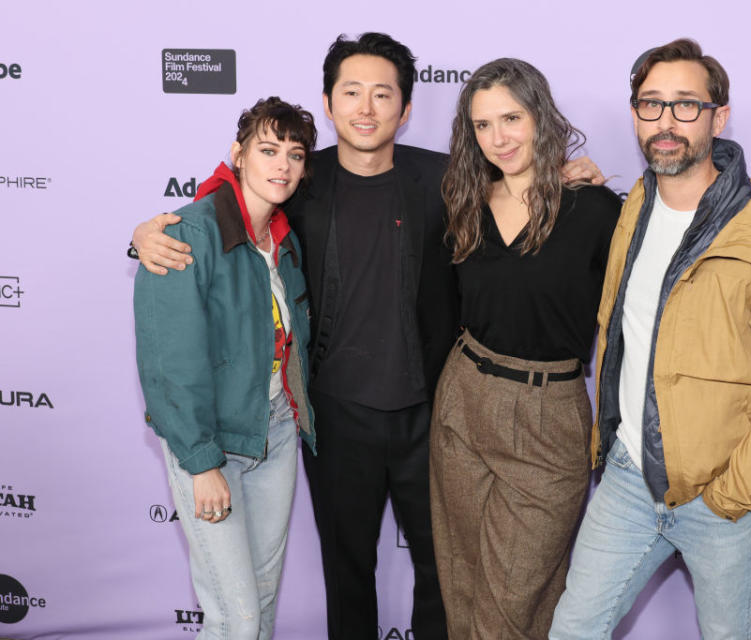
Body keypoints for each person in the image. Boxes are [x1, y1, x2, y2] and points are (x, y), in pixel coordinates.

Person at [132, 34, 603, 640]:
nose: (366, 107)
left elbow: (523, 181)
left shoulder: (447, 180)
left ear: (405, 110)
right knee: (346, 569)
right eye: (351, 92)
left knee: (445, 569)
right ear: (328, 103)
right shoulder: (298, 179)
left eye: (383, 94)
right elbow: (230, 206)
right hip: (334, 415)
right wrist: (148, 232)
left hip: (435, 413)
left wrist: (570, 174)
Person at [548, 39, 751, 640]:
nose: (666, 122)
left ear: (719, 116)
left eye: (686, 105)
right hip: (629, 480)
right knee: (573, 630)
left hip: (722, 497)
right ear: (634, 114)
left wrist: (733, 491)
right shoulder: (633, 204)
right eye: (651, 105)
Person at [429, 58, 621, 639]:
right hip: (462, 401)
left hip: (547, 415)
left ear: (540, 115)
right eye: (483, 125)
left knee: (513, 607)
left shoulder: (596, 210)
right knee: (462, 588)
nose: (499, 138)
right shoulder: (466, 203)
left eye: (511, 118)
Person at [134, 97, 318, 639]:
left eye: (296, 154)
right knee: (234, 616)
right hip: (214, 443)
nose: (282, 165)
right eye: (268, 150)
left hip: (277, 431)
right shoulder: (188, 233)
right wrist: (200, 462)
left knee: (259, 601)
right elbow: (171, 361)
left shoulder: (283, 237)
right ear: (238, 154)